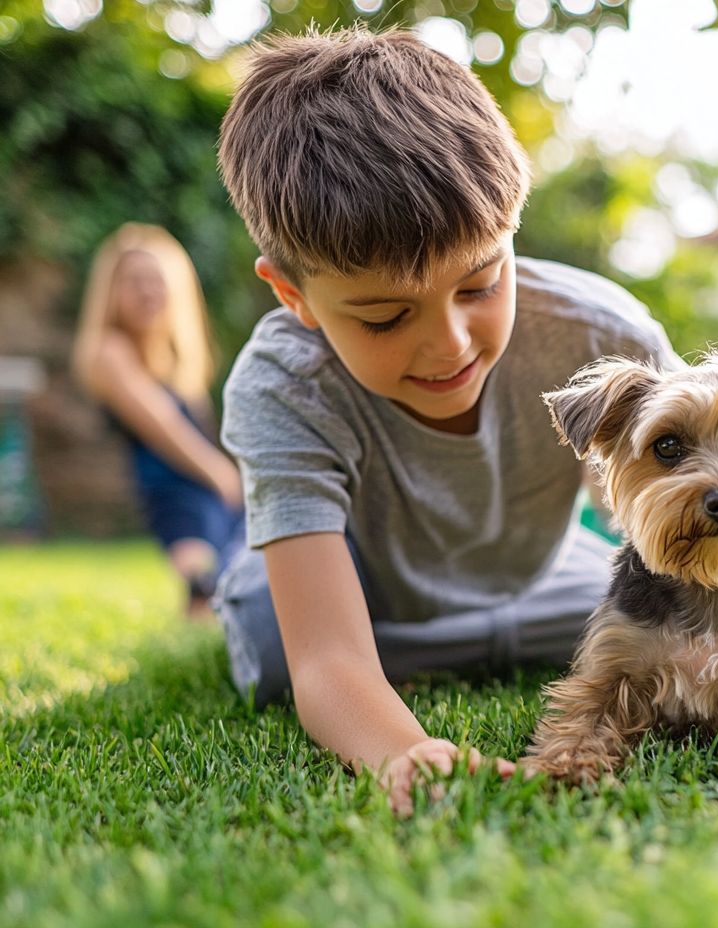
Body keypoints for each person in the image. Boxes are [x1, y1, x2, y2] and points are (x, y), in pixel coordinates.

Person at [213, 26, 680, 815]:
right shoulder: (282, 386)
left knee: (648, 627)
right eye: (386, 316)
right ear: (293, 297)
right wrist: (406, 753)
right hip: (361, 596)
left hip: (534, 583)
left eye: (480, 284)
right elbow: (327, 661)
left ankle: (482, 633)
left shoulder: (606, 338)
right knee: (274, 652)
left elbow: (682, 558)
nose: (450, 344)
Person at [73, 223, 245, 619]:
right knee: (204, 580)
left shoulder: (174, 364)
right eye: (134, 281)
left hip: (201, 490)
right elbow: (163, 425)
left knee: (226, 580)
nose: (148, 291)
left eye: (156, 281)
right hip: (173, 492)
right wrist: (221, 473)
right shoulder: (109, 351)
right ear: (111, 292)